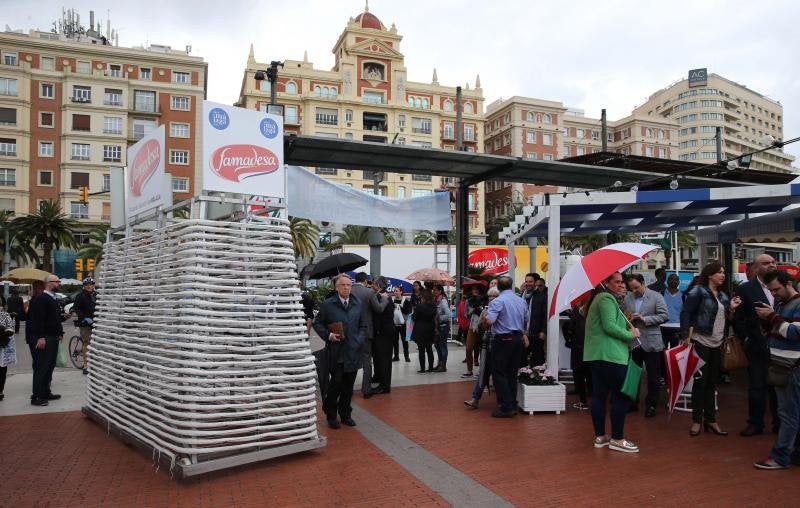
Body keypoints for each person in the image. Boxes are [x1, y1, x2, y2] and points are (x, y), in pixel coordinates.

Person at [681, 261, 741, 436]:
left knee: (712, 383)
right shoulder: (698, 291)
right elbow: (686, 312)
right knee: (700, 383)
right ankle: (696, 421)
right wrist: (685, 335)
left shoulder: (723, 296)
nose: (722, 275)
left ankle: (711, 420)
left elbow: (727, 318)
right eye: (719, 272)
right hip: (700, 341)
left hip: (717, 343)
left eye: (723, 272)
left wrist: (732, 309)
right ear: (709, 274)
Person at [584, 271, 641, 453]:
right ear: (606, 282)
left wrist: (627, 322)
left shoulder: (606, 299)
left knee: (600, 396)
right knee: (620, 396)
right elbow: (610, 327)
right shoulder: (607, 299)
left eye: (622, 282)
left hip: (598, 355)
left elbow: (612, 324)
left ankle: (601, 436)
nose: (621, 285)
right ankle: (617, 438)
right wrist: (630, 334)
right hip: (612, 355)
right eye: (616, 282)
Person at [753, 270, 800, 469]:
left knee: (787, 413)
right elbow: (778, 330)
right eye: (771, 291)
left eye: (777, 289)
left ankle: (780, 456)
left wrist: (772, 316)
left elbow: (794, 332)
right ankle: (794, 452)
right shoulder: (781, 304)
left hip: (792, 367)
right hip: (783, 364)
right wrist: (768, 320)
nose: (774, 294)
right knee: (792, 412)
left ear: (788, 283)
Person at [735, 254, 780, 436]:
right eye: (766, 263)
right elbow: (738, 319)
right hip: (756, 346)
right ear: (755, 267)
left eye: (773, 262)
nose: (771, 265)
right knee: (757, 386)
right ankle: (755, 423)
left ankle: (779, 423)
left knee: (779, 386)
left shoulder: (784, 286)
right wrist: (745, 338)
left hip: (780, 345)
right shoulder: (745, 289)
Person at [313, 274, 365, 429]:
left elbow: (363, 325)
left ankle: (345, 414)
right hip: (337, 352)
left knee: (348, 387)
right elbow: (318, 323)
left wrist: (359, 339)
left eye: (349, 285)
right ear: (336, 287)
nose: (346, 288)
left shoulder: (357, 303)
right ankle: (330, 413)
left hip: (353, 351)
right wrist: (328, 335)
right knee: (335, 385)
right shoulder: (328, 304)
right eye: (343, 285)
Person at [623, 274, 669, 417]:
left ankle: (651, 405)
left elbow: (664, 315)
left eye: (636, 287)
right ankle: (632, 402)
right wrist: (629, 319)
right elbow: (624, 315)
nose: (634, 291)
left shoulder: (656, 296)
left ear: (643, 283)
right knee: (633, 373)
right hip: (634, 342)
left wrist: (645, 319)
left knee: (653, 376)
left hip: (652, 342)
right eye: (631, 288)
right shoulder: (627, 297)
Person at [484, 276, 529, 418]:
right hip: (517, 338)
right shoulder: (521, 301)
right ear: (511, 286)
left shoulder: (497, 301)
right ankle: (512, 404)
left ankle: (507, 406)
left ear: (498, 288)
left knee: (499, 372)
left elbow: (490, 321)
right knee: (511, 372)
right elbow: (526, 319)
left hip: (503, 339)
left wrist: (485, 318)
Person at [28, 274, 66, 407]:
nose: (59, 283)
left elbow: (53, 319)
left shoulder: (52, 298)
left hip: (53, 337)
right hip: (44, 338)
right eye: (57, 281)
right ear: (49, 283)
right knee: (42, 367)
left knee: (49, 366)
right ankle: (36, 396)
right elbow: (37, 320)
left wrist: (60, 332)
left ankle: (45, 392)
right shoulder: (41, 299)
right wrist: (40, 337)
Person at [350, 272, 389, 399]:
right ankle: (366, 389)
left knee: (351, 359)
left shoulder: (348, 290)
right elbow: (379, 309)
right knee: (367, 360)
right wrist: (384, 299)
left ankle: (348, 388)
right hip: (366, 331)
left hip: (351, 331)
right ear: (366, 281)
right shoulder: (369, 292)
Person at [464, 286, 500, 409]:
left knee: (498, 373)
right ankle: (475, 399)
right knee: (483, 372)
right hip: (486, 343)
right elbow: (481, 325)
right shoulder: (485, 308)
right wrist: (481, 318)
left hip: (498, 344)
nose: (492, 298)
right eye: (490, 296)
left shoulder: (500, 308)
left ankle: (503, 401)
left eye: (494, 296)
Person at [563, 298, 591, 410]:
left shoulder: (577, 311)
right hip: (590, 346)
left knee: (578, 372)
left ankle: (583, 401)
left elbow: (569, 327)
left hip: (578, 346)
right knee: (589, 373)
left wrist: (569, 340)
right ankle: (592, 399)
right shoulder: (591, 309)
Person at [371, 277, 396, 394]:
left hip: (383, 333)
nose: (371, 286)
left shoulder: (381, 297)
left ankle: (384, 386)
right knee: (381, 359)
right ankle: (382, 382)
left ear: (378, 285)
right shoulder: (385, 296)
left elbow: (378, 314)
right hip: (386, 332)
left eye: (373, 284)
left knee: (384, 359)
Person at [72, 277, 97, 375]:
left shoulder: (97, 295)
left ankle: (95, 364)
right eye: (87, 285)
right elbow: (76, 308)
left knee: (96, 344)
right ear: (84, 286)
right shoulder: (80, 296)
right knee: (87, 342)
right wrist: (84, 317)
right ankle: (86, 365)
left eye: (91, 284)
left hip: (96, 322)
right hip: (85, 323)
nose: (89, 286)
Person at [462, 285, 485, 378]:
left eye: (476, 289)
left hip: (482, 326)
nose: (474, 291)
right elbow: (465, 315)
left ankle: (481, 371)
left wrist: (478, 309)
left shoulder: (484, 299)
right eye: (473, 289)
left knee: (482, 349)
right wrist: (470, 312)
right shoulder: (469, 300)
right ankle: (469, 370)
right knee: (468, 348)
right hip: (472, 326)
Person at [412, 290, 436, 373]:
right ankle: (431, 368)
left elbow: (414, 317)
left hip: (420, 329)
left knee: (421, 350)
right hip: (430, 329)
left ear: (423, 298)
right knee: (429, 349)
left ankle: (422, 369)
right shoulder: (433, 306)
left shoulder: (419, 307)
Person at [526, 277, 548, 367]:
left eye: (530, 281)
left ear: (535, 283)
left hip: (536, 333)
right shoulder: (523, 296)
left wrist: (543, 331)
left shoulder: (542, 296)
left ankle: (538, 379)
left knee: (538, 360)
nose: (528, 283)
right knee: (522, 360)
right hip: (524, 334)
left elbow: (545, 315)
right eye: (526, 281)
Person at [662, 273, 683, 348]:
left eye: (676, 279)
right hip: (662, 327)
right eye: (671, 279)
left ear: (679, 282)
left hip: (677, 328)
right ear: (667, 281)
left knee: (675, 353)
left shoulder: (683, 295)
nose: (673, 281)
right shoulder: (660, 294)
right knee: (662, 351)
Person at [432, 284, 450, 372]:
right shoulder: (436, 300)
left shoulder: (443, 301)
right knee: (437, 345)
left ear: (440, 291)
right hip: (438, 327)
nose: (433, 291)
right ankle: (440, 363)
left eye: (435, 290)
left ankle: (443, 366)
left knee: (442, 346)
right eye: (433, 290)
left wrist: (438, 318)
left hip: (443, 326)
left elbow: (448, 315)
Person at [0, 296, 15, 401]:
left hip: (1, 346)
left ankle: (0, 391)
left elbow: (10, 329)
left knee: (1, 369)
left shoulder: (5, 315)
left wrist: (5, 331)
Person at [392, 285, 410, 362]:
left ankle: (406, 356)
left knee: (404, 341)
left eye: (397, 291)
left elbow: (407, 311)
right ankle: (396, 356)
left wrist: (399, 306)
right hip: (394, 323)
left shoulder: (406, 300)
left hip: (403, 324)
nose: (395, 292)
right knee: (395, 341)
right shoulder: (391, 299)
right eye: (394, 291)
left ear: (401, 292)